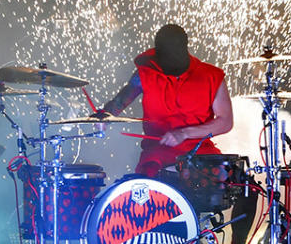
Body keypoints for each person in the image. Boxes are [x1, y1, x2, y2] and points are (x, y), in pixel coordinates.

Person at [96, 24, 257, 242]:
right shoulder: (145, 73)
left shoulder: (211, 75)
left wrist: (185, 133)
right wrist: (105, 114)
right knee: (143, 193)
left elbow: (225, 122)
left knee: (248, 186)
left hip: (200, 153)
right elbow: (119, 102)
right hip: (158, 154)